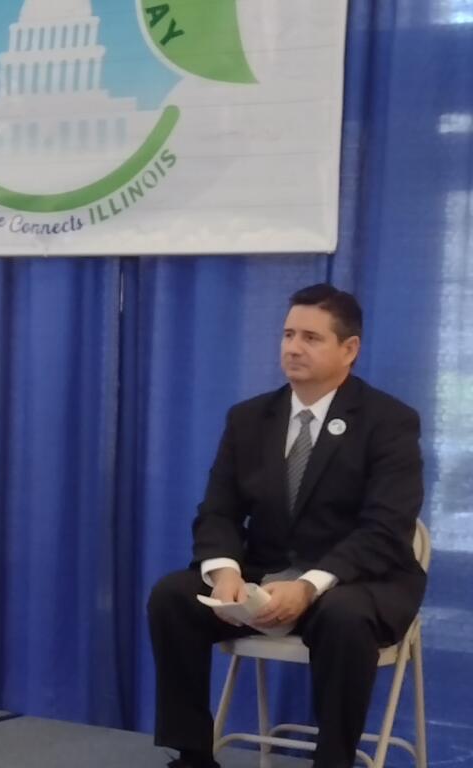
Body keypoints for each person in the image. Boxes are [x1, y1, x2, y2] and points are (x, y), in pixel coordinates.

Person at [147, 284, 426, 768]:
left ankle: (332, 762)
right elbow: (218, 510)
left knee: (342, 617)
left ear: (350, 350)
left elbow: (385, 528)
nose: (293, 347)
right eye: (288, 334)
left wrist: (309, 586)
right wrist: (225, 571)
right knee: (173, 596)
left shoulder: (389, 421)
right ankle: (193, 753)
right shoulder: (250, 418)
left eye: (312, 338)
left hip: (357, 581)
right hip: (265, 575)